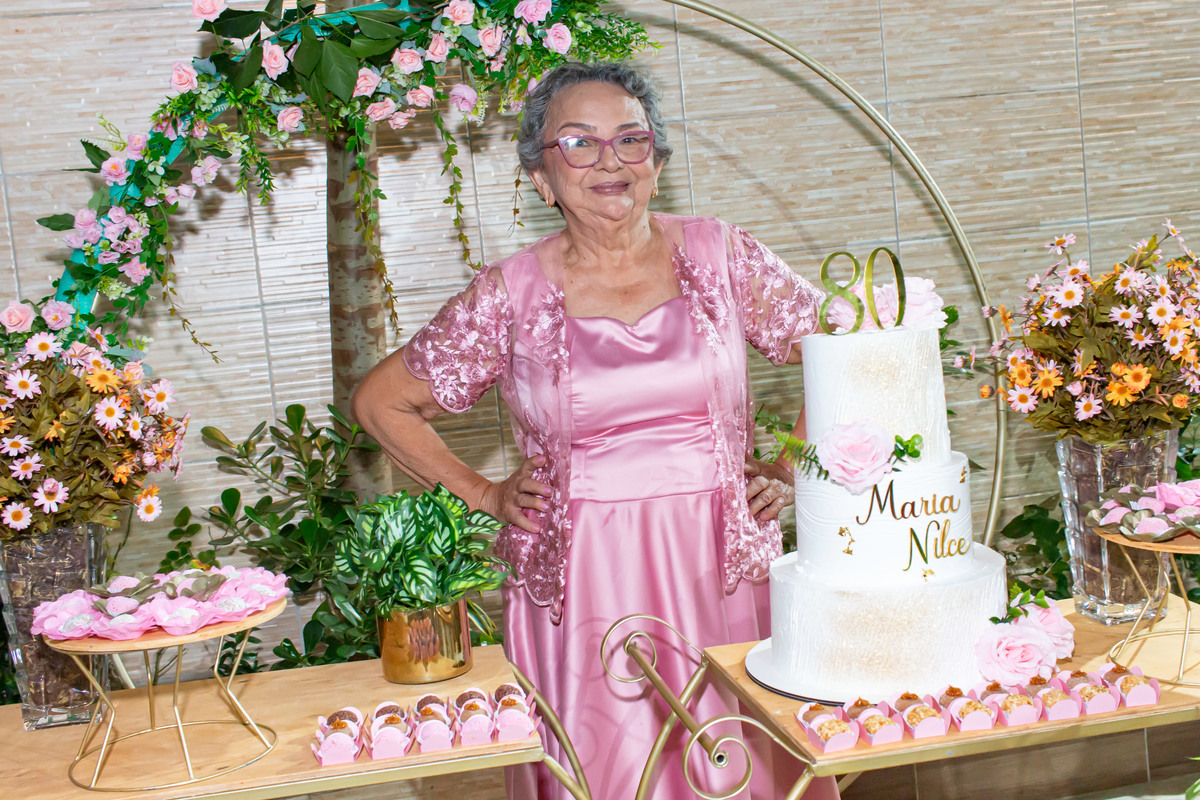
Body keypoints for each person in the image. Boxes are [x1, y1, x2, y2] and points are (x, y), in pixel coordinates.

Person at [353, 62, 838, 800]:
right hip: (584, 583)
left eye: (630, 139)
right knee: (612, 770)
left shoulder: (722, 254)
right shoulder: (510, 294)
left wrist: (790, 467)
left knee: (739, 763)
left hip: (723, 565)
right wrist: (484, 493)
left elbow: (844, 349)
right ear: (542, 178)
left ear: (657, 164)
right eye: (578, 143)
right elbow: (382, 402)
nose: (609, 161)